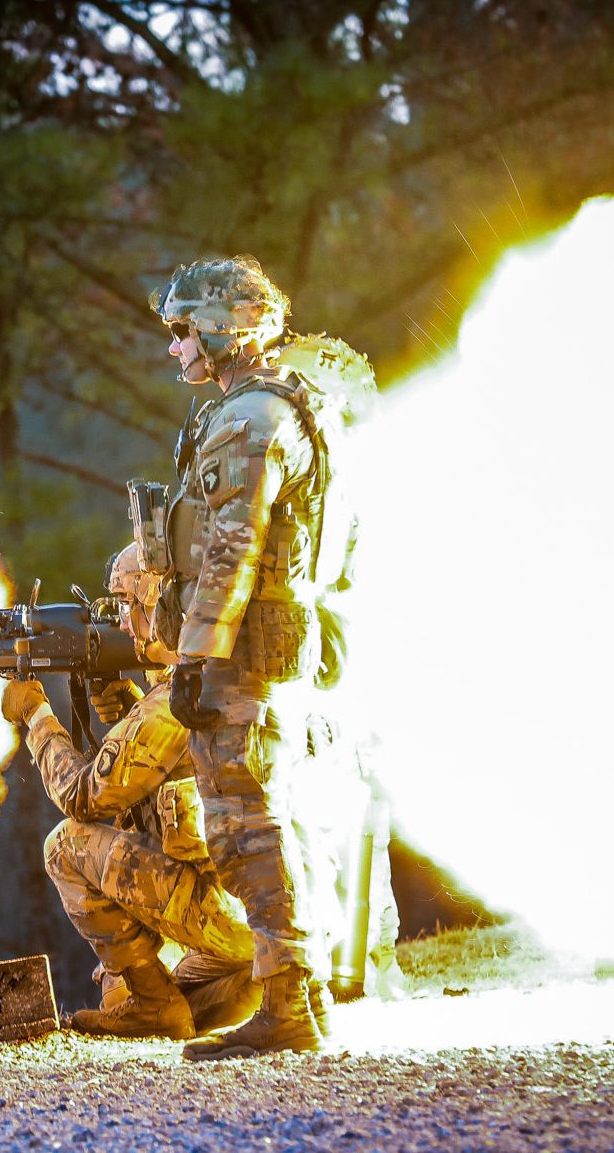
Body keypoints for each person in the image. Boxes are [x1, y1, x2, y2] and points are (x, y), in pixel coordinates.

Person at [140, 254, 371, 1058]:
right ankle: (295, 999)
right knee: (264, 819)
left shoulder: (250, 419)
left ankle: (289, 1011)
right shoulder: (274, 409)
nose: (175, 349)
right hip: (266, 643)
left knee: (247, 826)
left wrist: (197, 657)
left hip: (242, 653)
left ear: (223, 327)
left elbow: (231, 549)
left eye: (182, 330)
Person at [0, 545, 258, 1040]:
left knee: (65, 845)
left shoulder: (172, 703)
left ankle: (154, 1004)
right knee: (170, 989)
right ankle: (221, 991)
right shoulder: (213, 675)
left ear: (158, 603)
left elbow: (84, 797)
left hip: (222, 913)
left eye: (125, 604)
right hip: (259, 915)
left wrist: (35, 716)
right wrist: (123, 709)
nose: (120, 622)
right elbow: (165, 774)